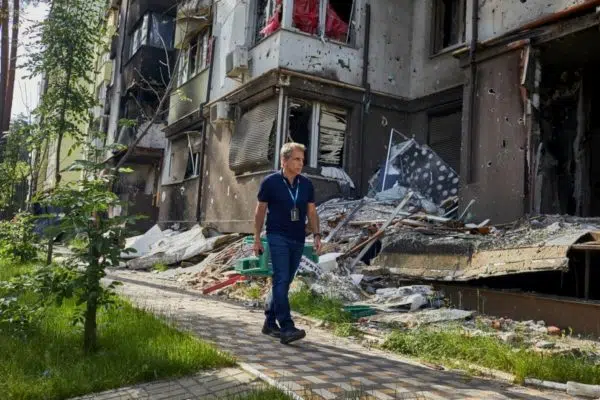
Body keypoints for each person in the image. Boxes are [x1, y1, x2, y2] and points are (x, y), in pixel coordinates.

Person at [253, 142, 322, 345]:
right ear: (284, 160)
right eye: (296, 159)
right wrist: (257, 237)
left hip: (297, 238)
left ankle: (269, 322)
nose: (301, 164)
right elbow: (260, 211)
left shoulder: (306, 184)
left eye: (302, 160)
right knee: (282, 278)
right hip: (276, 236)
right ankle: (287, 327)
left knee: (284, 281)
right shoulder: (270, 182)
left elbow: (311, 212)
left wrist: (317, 234)